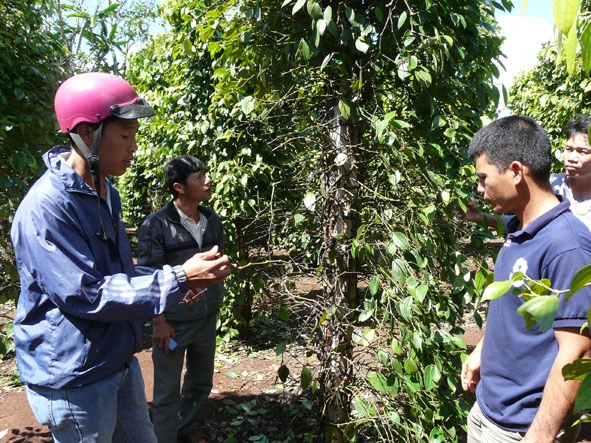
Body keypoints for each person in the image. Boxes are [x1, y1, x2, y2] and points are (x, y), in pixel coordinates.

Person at [10, 72, 231, 443]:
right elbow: (87, 294)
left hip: (117, 359)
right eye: (124, 136)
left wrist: (182, 280)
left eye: (134, 136)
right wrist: (176, 279)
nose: (133, 148)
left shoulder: (105, 191)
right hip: (75, 375)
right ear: (86, 135)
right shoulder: (46, 209)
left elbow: (120, 272)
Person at [461, 115, 591, 442]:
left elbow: (577, 353)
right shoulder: (521, 228)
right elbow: (514, 306)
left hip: (521, 430)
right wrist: (483, 351)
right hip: (487, 413)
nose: (479, 188)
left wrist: (541, 434)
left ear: (517, 172)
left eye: (483, 178)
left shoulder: (567, 246)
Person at [137, 156, 224, 443]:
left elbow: (218, 260)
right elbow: (147, 277)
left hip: (205, 318)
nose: (207, 181)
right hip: (172, 324)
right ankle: (164, 438)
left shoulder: (211, 219)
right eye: (199, 177)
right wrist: (159, 321)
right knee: (166, 391)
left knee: (201, 382)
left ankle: (184, 429)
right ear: (179, 187)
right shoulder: (156, 225)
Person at [463, 115, 591, 230]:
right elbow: (521, 223)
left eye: (583, 152)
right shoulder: (548, 185)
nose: (572, 158)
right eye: (569, 149)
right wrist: (480, 217)